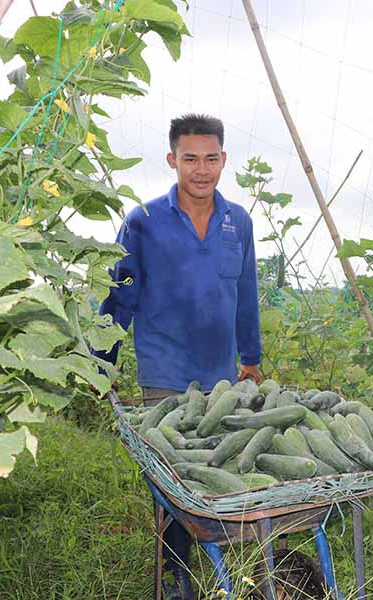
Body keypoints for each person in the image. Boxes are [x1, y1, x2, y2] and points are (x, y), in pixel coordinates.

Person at [97, 114, 262, 600]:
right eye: (190, 158)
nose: (201, 169)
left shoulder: (239, 222)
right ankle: (175, 576)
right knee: (173, 478)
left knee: (217, 468)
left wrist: (250, 356)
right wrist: (101, 362)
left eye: (211, 158)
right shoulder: (144, 222)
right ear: (173, 161)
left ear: (223, 161)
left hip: (220, 376)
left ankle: (222, 554)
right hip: (165, 372)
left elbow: (246, 293)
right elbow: (119, 298)